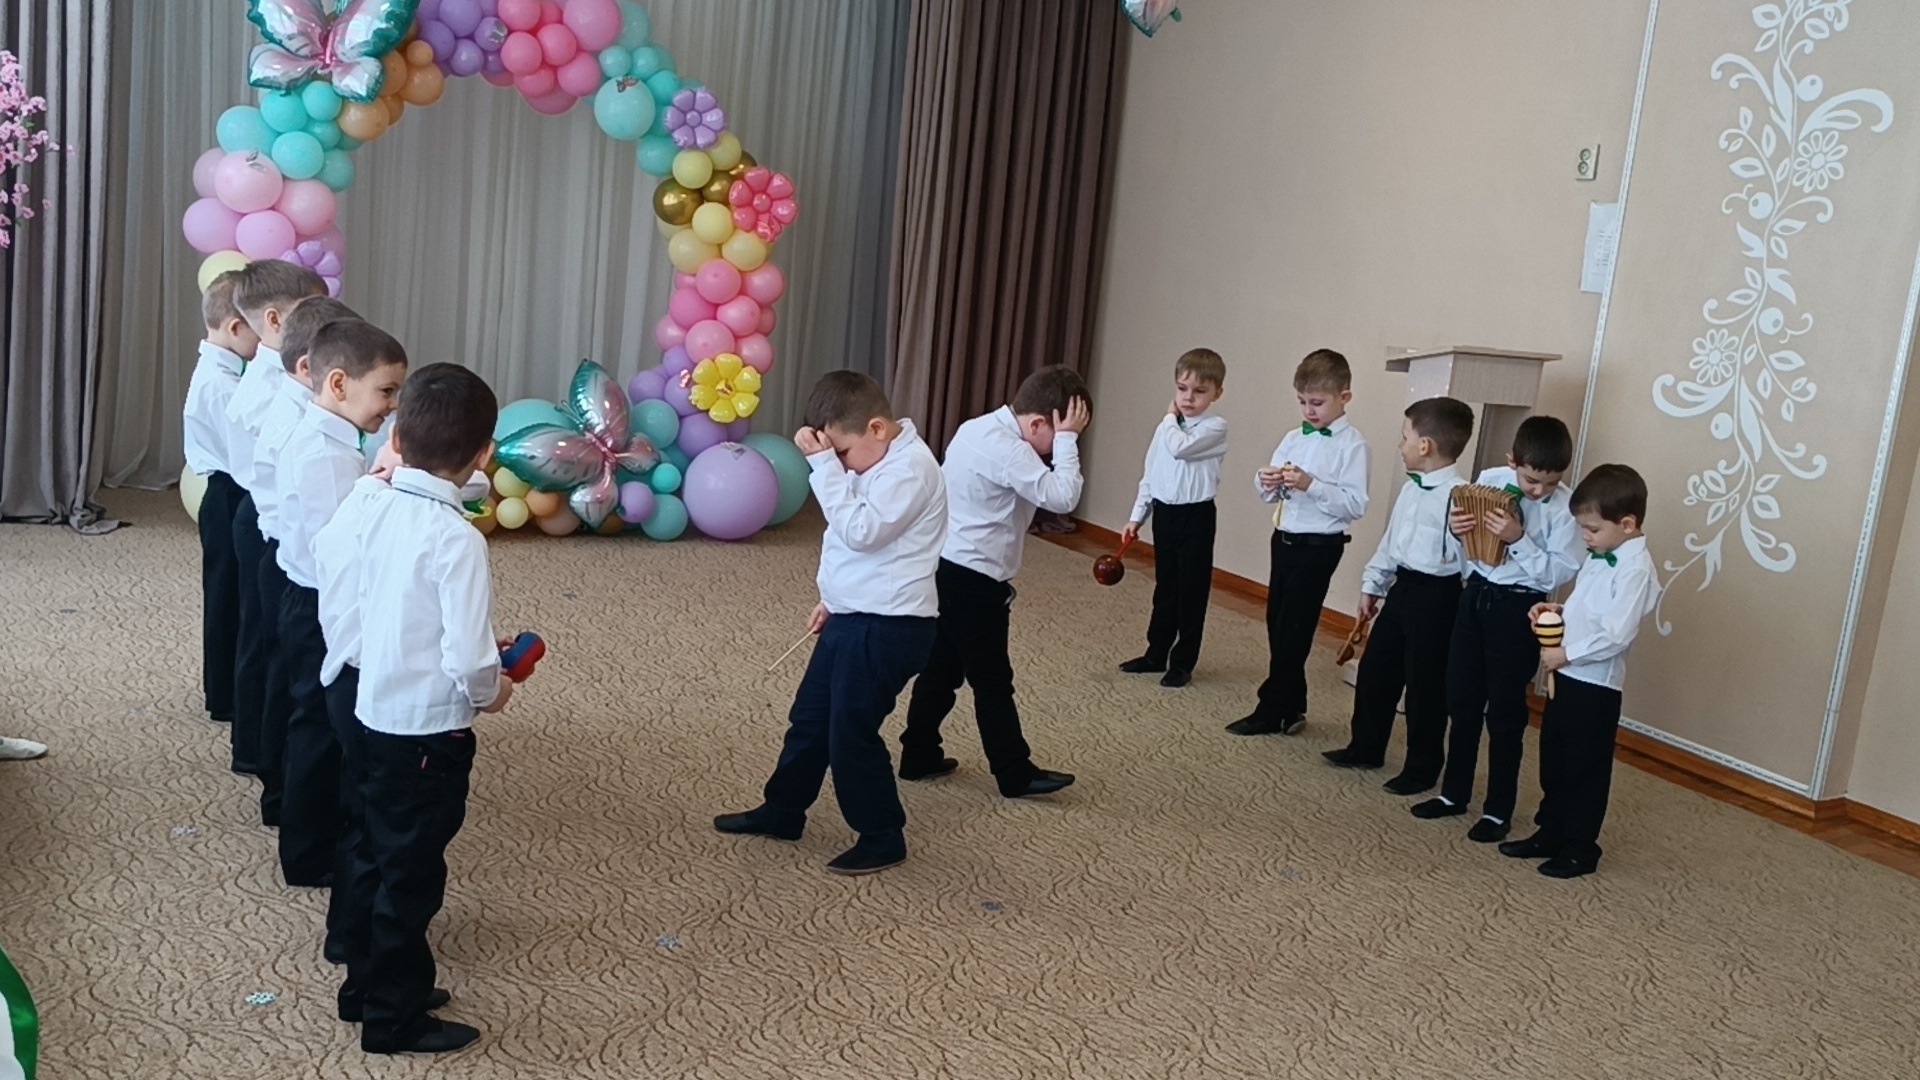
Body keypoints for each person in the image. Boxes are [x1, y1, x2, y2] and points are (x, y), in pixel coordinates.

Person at [332, 363, 506, 1054]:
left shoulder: (369, 503)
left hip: (369, 710)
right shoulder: (457, 538)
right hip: (429, 733)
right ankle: (393, 1017)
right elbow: (469, 659)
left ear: (396, 439)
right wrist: (496, 690)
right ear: (484, 455)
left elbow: (340, 576)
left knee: (370, 851)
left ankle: (363, 987)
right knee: (411, 878)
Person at [715, 371, 946, 876]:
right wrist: (832, 599)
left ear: (878, 429)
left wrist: (823, 467)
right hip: (854, 613)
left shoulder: (911, 470)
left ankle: (883, 836)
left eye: (841, 452)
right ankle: (784, 810)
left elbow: (861, 531)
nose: (837, 463)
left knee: (850, 733)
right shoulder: (871, 457)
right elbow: (844, 543)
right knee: (810, 718)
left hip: (890, 626)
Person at [898, 366, 1089, 797]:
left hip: (946, 566)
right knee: (993, 681)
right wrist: (1068, 442)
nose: (1058, 445)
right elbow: (1063, 497)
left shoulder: (976, 427)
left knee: (942, 669)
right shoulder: (1010, 449)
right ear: (1037, 424)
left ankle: (918, 753)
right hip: (974, 579)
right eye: (1058, 434)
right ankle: (1014, 773)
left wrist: (1061, 436)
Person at [274, 320, 408, 889]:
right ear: (337, 384)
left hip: (313, 598)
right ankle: (309, 854)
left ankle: (312, 837)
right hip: (318, 605)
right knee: (319, 728)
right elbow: (341, 545)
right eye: (386, 391)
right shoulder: (324, 456)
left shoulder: (334, 439)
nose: (393, 406)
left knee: (319, 723)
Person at [1411, 417, 1583, 842]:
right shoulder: (1489, 480)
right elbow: (1465, 541)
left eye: (1550, 482)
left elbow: (1559, 572)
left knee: (1505, 711)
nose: (1539, 490)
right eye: (1531, 480)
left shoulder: (1565, 509)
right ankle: (1454, 793)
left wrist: (1519, 539)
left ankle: (1498, 810)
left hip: (1520, 606)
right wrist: (1458, 531)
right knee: (1461, 698)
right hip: (1475, 595)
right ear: (1512, 462)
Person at [1501, 464, 1658, 879]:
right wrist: (1557, 611)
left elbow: (1616, 634)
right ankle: (1551, 830)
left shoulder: (1635, 569)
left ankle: (1580, 847)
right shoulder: (1600, 554)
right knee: (1554, 755)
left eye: (1591, 529)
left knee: (1584, 766)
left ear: (1627, 525)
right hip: (1568, 676)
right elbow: (1587, 607)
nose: (1585, 537)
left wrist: (1567, 654)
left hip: (1595, 685)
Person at [1323, 396, 1475, 795]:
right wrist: (1373, 585)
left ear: (1425, 445)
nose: (1400, 444)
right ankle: (1366, 745)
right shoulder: (1410, 490)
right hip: (1402, 588)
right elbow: (1391, 543)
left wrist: (1465, 535)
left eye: (1405, 437)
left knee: (1425, 686)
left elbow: (1469, 560)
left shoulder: (1461, 498)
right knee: (1376, 671)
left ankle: (1422, 767)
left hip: (1439, 596)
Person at [247, 293, 356, 832]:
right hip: (303, 578)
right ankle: (296, 816)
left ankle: (280, 793)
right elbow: (331, 543)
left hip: (288, 563)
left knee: (290, 689)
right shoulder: (314, 441)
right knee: (308, 705)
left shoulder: (309, 422)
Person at [222, 260, 328, 791]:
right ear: (274, 320)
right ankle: (258, 752)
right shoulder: (272, 389)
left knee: (264, 639)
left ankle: (257, 746)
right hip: (265, 521)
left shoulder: (273, 376)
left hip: (267, 515)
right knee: (265, 643)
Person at [1228, 349, 1370, 736]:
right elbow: (1270, 495)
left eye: (1317, 402)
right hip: (1284, 538)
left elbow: (1356, 505)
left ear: (1344, 398)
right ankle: (1293, 705)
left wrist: (1313, 485)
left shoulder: (1353, 446)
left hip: (1319, 546)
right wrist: (1266, 481)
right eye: (1303, 401)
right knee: (1278, 623)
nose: (1309, 410)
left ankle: (1271, 709)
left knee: (1295, 628)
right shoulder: (1293, 438)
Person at [1116, 348, 1228, 688]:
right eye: (1182, 389)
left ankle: (1182, 662)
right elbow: (1151, 473)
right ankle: (1156, 653)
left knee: (1191, 591)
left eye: (1199, 391)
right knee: (1166, 587)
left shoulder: (1215, 427)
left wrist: (1168, 417)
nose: (1188, 398)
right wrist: (1137, 516)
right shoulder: (1164, 429)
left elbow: (1181, 448)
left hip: (1196, 517)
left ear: (1217, 394)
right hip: (1165, 514)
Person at [182, 269, 260, 738]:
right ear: (235, 327)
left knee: (229, 591)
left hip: (227, 492)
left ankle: (224, 687)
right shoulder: (222, 385)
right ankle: (226, 693)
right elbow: (246, 457)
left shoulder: (224, 372)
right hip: (230, 493)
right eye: (260, 329)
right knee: (229, 594)